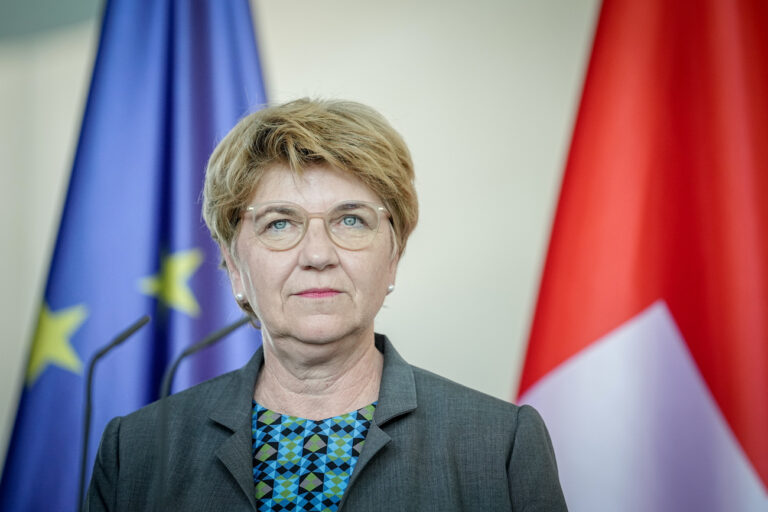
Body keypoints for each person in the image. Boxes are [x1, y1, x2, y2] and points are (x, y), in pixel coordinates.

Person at [86, 98, 567, 511]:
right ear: (234, 264)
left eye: (352, 221)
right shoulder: (135, 450)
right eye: (279, 223)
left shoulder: (500, 444)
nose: (318, 255)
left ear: (393, 255)